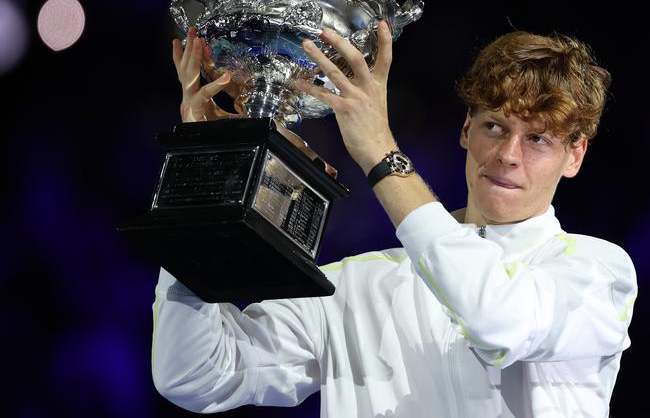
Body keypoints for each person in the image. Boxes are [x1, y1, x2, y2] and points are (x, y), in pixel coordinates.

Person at [153, 23, 637, 417]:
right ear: (466, 130)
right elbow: (197, 375)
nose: (509, 155)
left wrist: (382, 154)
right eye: (495, 126)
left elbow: (496, 320)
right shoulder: (355, 284)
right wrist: (207, 178)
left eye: (538, 140)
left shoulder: (597, 272)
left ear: (575, 155)